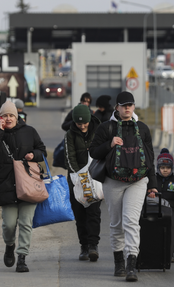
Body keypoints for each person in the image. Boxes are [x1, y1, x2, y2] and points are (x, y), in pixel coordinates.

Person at [90, 91, 157, 282]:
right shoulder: (106, 128)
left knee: (131, 222)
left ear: (134, 107)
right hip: (113, 181)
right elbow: (94, 152)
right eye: (123, 105)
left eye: (130, 105)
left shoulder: (142, 128)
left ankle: (131, 264)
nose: (127, 108)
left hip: (138, 181)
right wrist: (109, 144)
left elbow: (150, 158)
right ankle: (118, 261)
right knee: (116, 223)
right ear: (116, 108)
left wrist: (152, 184)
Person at [0, 100, 47, 273]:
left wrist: (34, 154)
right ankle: (10, 245)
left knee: (26, 223)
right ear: (1, 118)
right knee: (9, 224)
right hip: (7, 185)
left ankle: (22, 257)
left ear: (17, 116)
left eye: (11, 115)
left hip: (28, 184)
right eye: (5, 116)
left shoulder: (29, 131)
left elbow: (43, 151)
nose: (9, 118)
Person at [65, 104, 102, 262]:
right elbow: (69, 157)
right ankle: (84, 246)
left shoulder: (99, 131)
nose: (82, 126)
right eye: (79, 124)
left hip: (94, 178)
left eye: (84, 123)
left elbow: (102, 152)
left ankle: (93, 245)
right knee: (80, 214)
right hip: (76, 180)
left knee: (93, 213)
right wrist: (78, 176)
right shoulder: (70, 135)